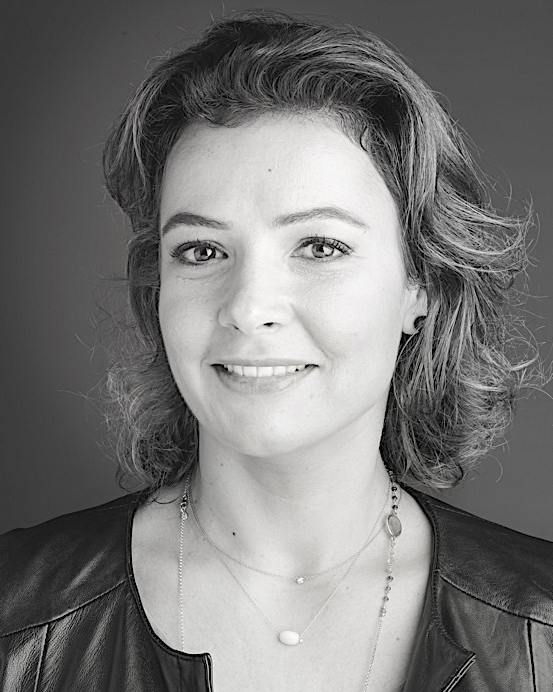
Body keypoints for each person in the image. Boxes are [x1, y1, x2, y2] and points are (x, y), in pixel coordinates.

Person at [1, 8, 551, 692]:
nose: (248, 306)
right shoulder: (15, 616)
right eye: (202, 251)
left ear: (421, 285)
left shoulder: (540, 629)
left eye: (319, 246)